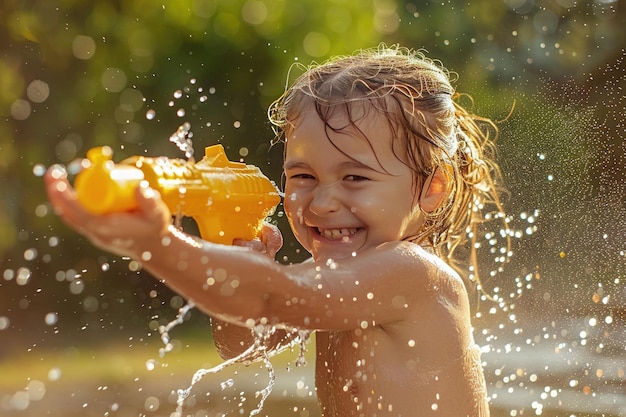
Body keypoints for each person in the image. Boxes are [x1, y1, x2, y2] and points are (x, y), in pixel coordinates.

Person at [45, 44, 506, 417]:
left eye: (355, 178)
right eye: (303, 177)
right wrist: (240, 263)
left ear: (432, 187)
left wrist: (157, 245)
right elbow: (242, 346)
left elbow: (269, 297)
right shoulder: (328, 274)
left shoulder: (411, 276)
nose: (322, 203)